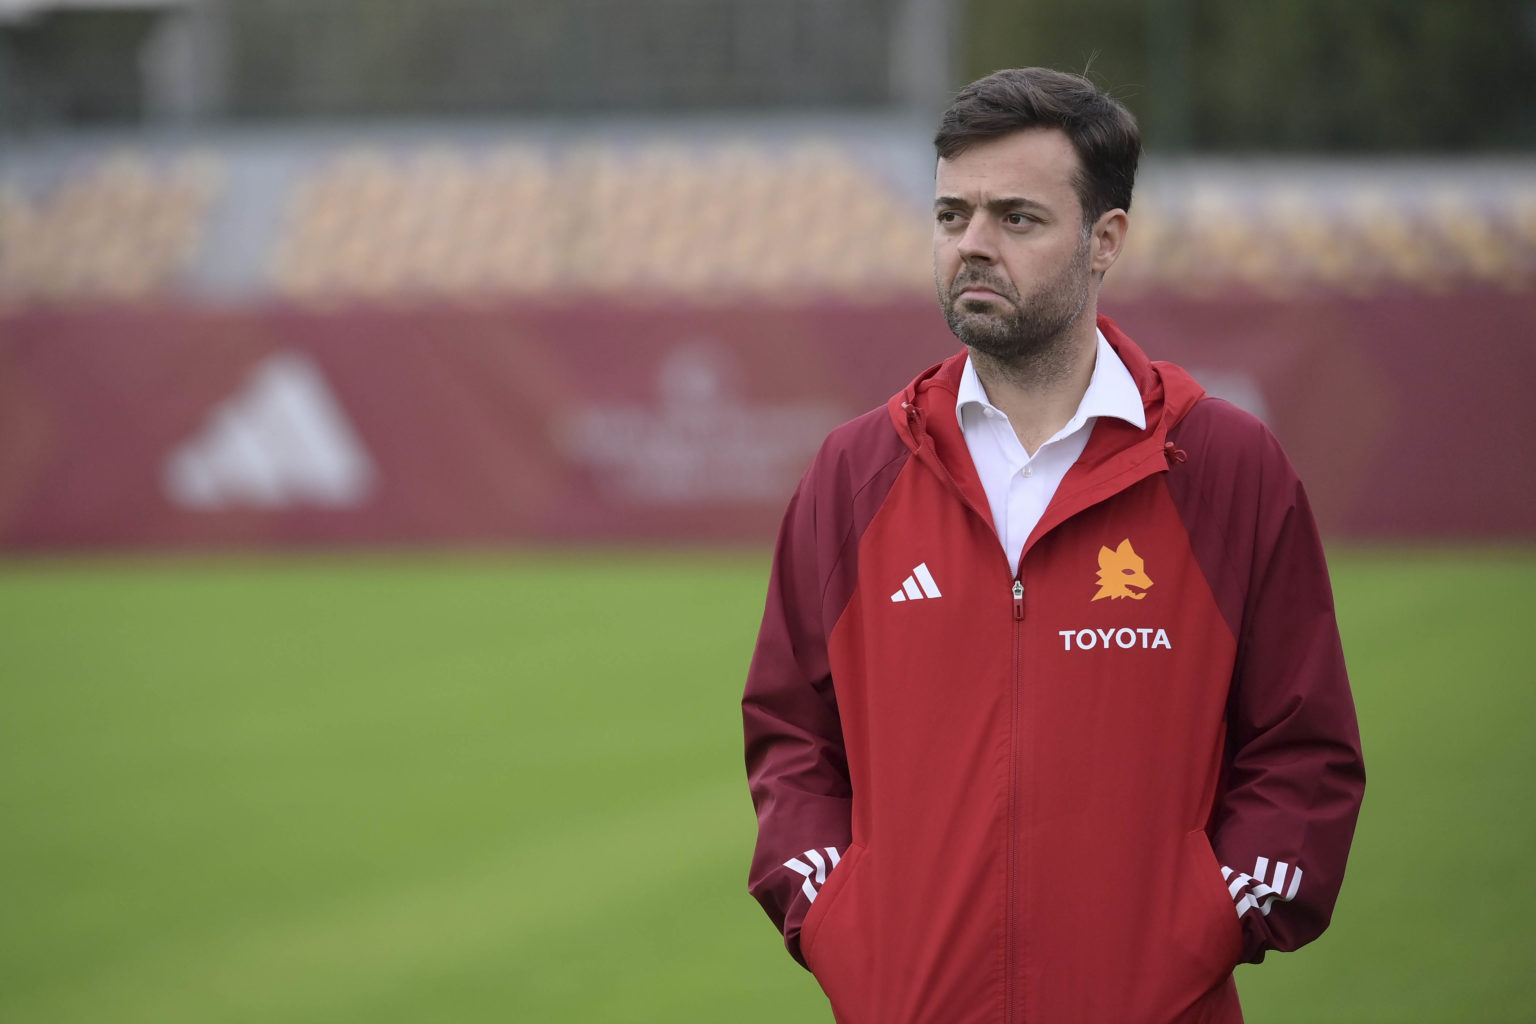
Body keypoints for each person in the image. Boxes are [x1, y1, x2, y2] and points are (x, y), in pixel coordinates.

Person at [741, 67, 1365, 1024]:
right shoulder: (854, 472)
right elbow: (791, 735)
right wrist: (836, 917)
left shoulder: (1225, 466)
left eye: (1016, 219)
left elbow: (1303, 754)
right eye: (952, 216)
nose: (973, 246)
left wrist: (1200, 924)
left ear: (1104, 239)